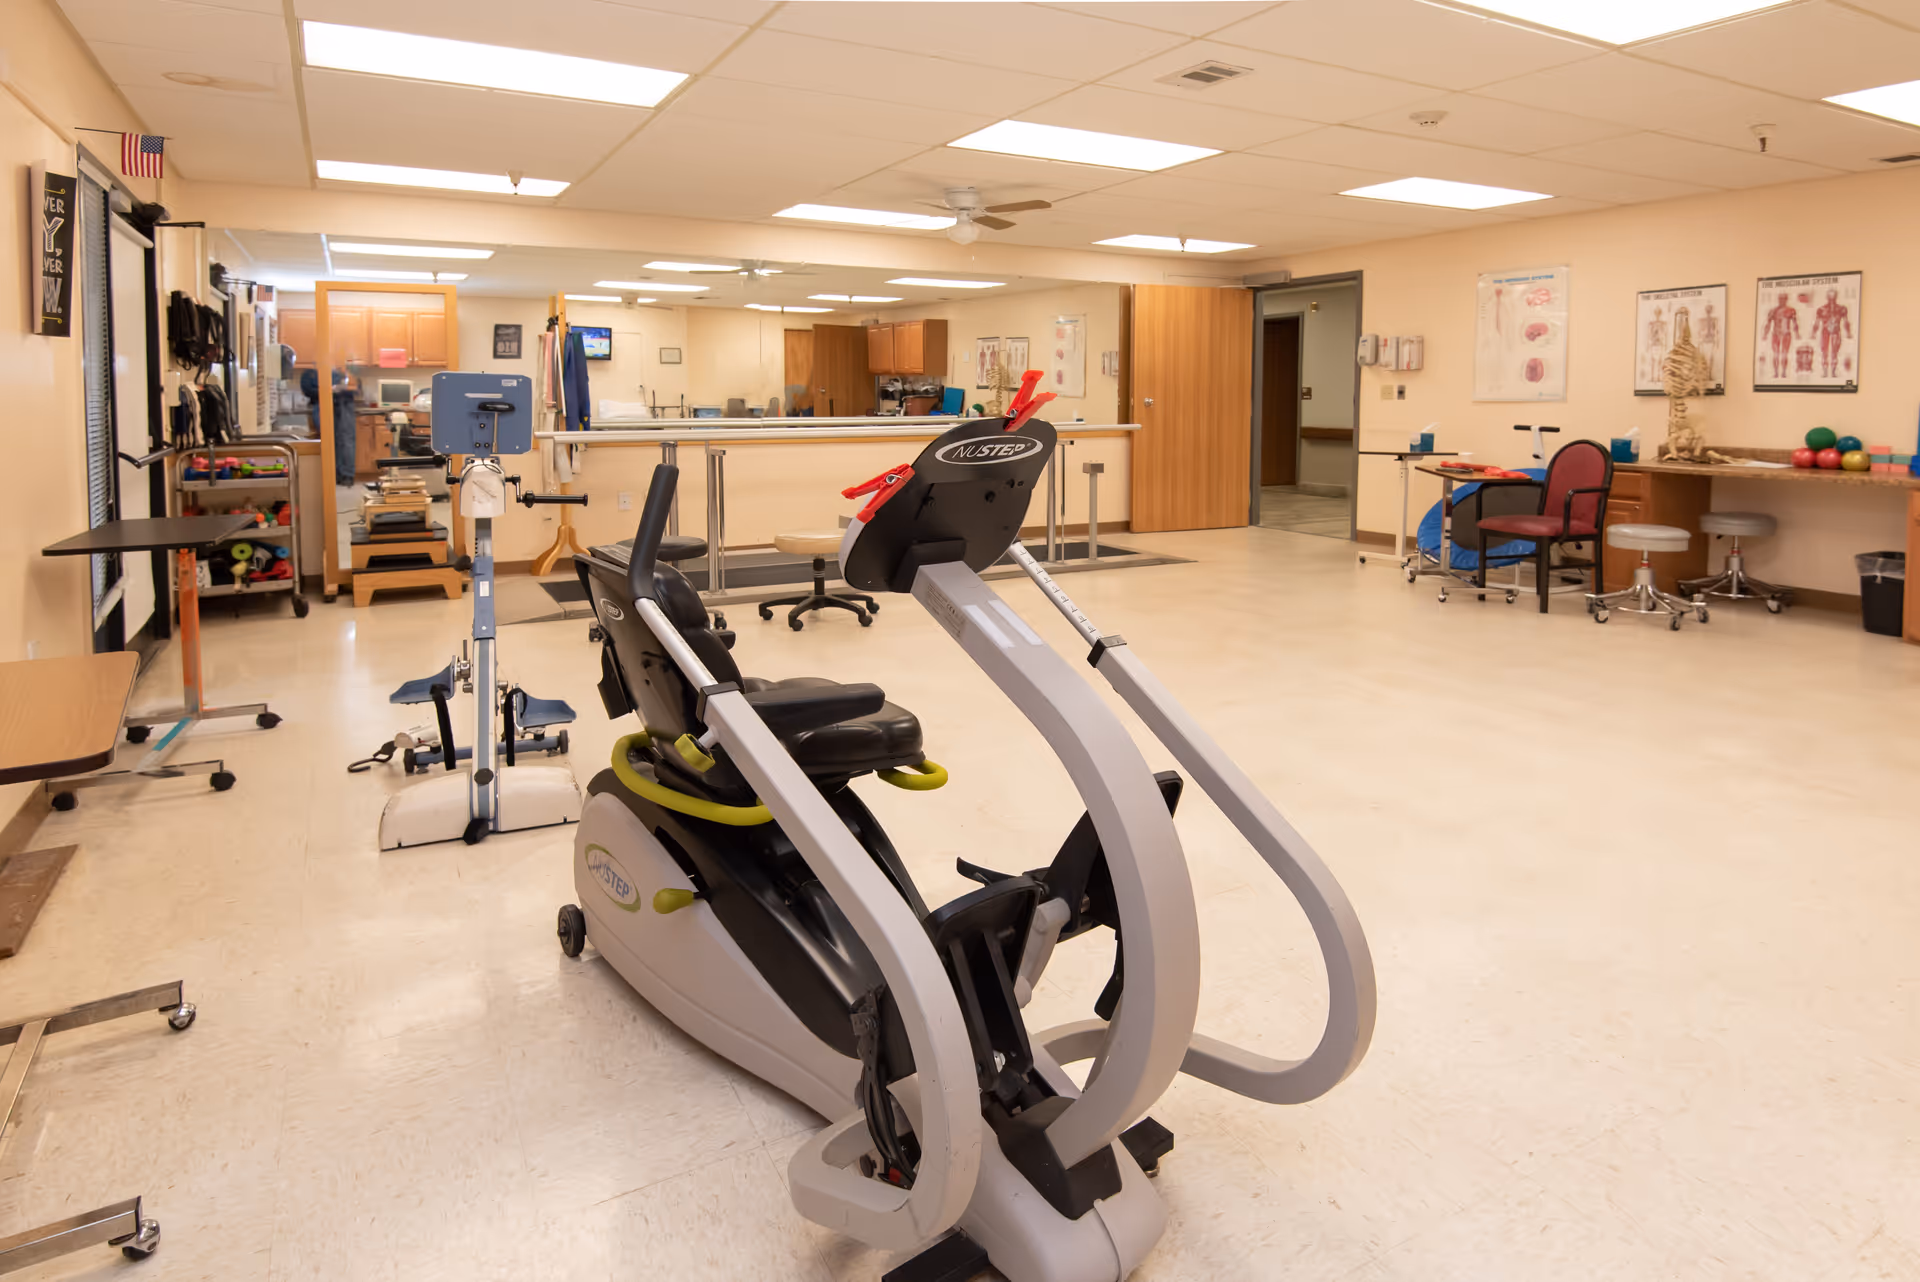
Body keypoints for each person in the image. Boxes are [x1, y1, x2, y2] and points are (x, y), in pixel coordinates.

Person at [299, 362, 359, 484]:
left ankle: (346, 475)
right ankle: (331, 474)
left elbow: (355, 390)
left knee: (346, 440)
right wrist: (328, 390)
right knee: (327, 441)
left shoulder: (343, 373)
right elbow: (308, 390)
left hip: (344, 405)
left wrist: (340, 389)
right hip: (322, 405)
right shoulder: (309, 374)